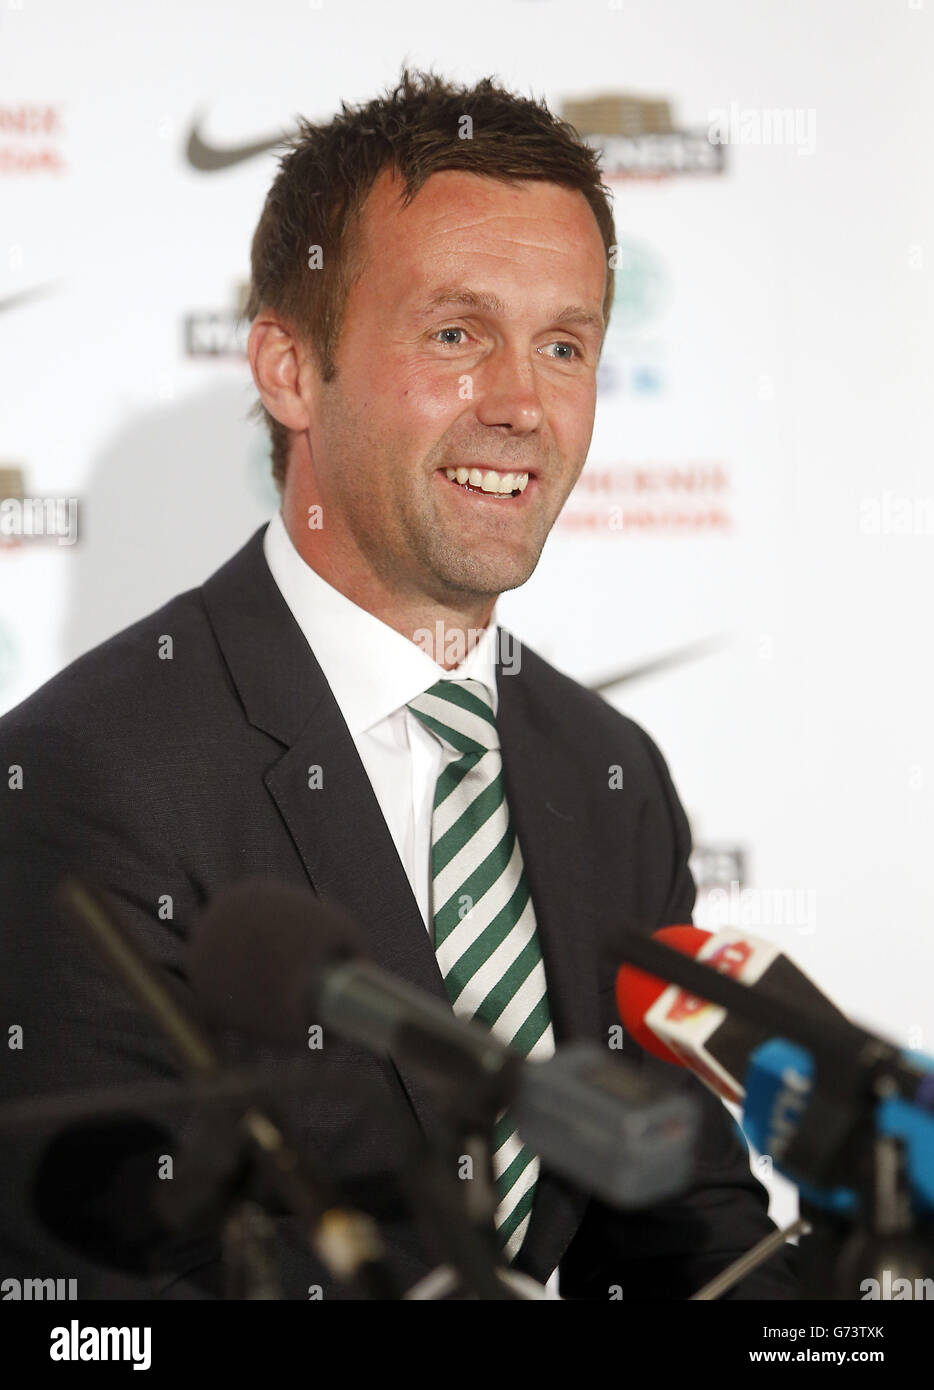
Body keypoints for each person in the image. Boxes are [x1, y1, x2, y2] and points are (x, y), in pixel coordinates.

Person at [0, 68, 798, 1299]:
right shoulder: (85, 776)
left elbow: (685, 1223)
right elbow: (86, 1298)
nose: (523, 405)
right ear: (287, 368)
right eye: (455, 333)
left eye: (565, 344)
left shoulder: (611, 774)